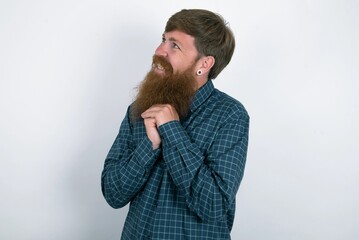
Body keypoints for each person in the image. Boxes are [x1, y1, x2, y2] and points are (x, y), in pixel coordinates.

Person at [101, 9, 250, 240]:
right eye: (163, 40)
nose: (159, 51)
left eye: (174, 45)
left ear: (204, 63)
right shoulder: (139, 110)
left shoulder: (230, 115)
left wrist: (172, 131)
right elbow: (113, 194)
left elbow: (213, 205)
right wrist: (149, 146)